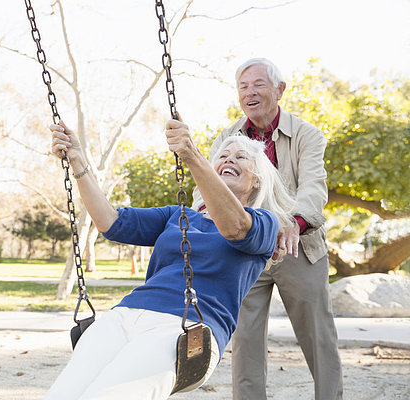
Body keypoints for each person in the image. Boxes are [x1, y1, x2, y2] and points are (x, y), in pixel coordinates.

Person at [45, 116, 296, 400]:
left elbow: (235, 228)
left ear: (257, 179)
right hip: (124, 315)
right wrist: (77, 159)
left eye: (241, 156)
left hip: (183, 329)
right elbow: (110, 222)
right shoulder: (178, 216)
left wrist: (192, 156)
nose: (230, 159)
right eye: (223, 155)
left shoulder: (264, 223)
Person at [190, 58, 343, 400]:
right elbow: (208, 186)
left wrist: (293, 223)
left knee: (318, 337)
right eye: (243, 87)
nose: (250, 93)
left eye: (258, 84)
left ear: (279, 90)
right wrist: (205, 214)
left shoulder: (307, 134)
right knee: (244, 339)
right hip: (245, 247)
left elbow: (314, 187)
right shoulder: (228, 137)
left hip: (297, 246)